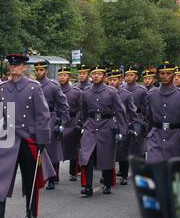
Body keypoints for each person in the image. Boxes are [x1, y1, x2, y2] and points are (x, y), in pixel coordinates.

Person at [0, 54, 54, 218]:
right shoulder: (2, 88)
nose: (14, 67)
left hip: (27, 137)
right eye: (12, 65)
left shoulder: (33, 87)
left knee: (30, 177)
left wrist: (42, 139)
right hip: (8, 136)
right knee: (0, 175)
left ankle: (31, 211)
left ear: (24, 68)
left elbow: (42, 115)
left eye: (17, 65)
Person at [79, 65, 126, 197]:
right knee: (86, 155)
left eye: (99, 74)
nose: (96, 76)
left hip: (107, 125)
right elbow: (83, 111)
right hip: (90, 125)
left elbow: (120, 111)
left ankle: (107, 183)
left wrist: (121, 130)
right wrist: (84, 125)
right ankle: (87, 186)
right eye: (94, 74)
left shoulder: (112, 92)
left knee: (106, 155)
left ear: (104, 77)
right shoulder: (86, 92)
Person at [34, 60, 70, 190]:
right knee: (38, 149)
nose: (39, 72)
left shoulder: (53, 86)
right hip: (36, 119)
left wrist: (62, 123)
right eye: (37, 70)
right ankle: (39, 176)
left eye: (41, 70)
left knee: (51, 150)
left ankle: (52, 178)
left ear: (46, 71)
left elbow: (63, 105)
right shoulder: (33, 85)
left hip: (51, 118)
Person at [146, 62, 180, 163]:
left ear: (173, 74)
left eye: (168, 73)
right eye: (162, 74)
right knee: (154, 170)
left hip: (176, 138)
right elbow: (149, 118)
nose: (165, 76)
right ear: (158, 75)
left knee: (174, 175)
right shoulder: (151, 95)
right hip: (155, 138)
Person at [108, 70, 139, 185]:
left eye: (114, 80)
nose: (112, 82)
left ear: (120, 80)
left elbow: (132, 112)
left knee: (122, 152)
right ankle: (108, 175)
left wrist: (135, 127)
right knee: (108, 151)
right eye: (110, 80)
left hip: (123, 124)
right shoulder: (106, 92)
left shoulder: (126, 94)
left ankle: (124, 175)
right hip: (109, 124)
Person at [58, 67, 83, 182]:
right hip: (59, 121)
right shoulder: (55, 90)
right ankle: (54, 176)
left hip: (72, 122)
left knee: (73, 148)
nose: (62, 77)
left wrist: (79, 123)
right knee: (56, 148)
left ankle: (73, 172)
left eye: (64, 75)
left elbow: (81, 109)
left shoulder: (76, 92)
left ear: (69, 77)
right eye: (60, 75)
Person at [123, 66, 148, 159]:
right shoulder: (122, 89)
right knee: (123, 146)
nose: (129, 77)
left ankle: (141, 169)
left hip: (138, 118)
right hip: (125, 118)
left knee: (138, 148)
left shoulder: (142, 91)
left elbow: (146, 109)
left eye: (131, 75)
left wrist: (144, 122)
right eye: (127, 75)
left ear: (136, 77)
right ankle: (123, 170)